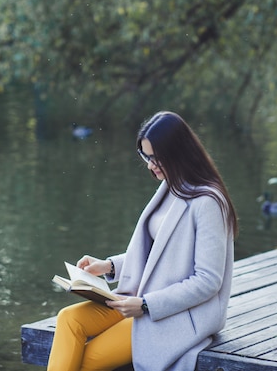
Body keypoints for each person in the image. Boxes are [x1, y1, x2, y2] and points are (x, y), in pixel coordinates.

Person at [47, 111, 238, 371]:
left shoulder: (208, 202)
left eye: (156, 158)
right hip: (140, 299)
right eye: (145, 156)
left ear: (178, 152)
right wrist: (109, 266)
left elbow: (208, 281)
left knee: (88, 359)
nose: (150, 165)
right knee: (68, 319)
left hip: (176, 313)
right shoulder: (171, 187)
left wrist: (147, 305)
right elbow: (158, 255)